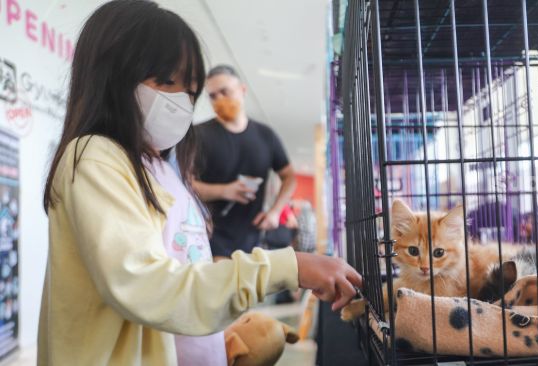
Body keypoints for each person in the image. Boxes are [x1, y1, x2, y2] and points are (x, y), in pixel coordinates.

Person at [38, 2, 361, 365]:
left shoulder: (158, 166)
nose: (180, 101)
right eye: (166, 81)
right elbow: (148, 286)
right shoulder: (96, 158)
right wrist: (288, 267)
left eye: (189, 91)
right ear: (112, 72)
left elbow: (181, 268)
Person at [192, 65, 296, 260]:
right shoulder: (198, 136)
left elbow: (289, 176)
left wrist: (275, 211)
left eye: (225, 92)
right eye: (212, 96)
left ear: (242, 90)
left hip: (252, 241)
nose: (219, 100)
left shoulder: (266, 136)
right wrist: (224, 190)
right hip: (208, 237)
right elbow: (184, 184)